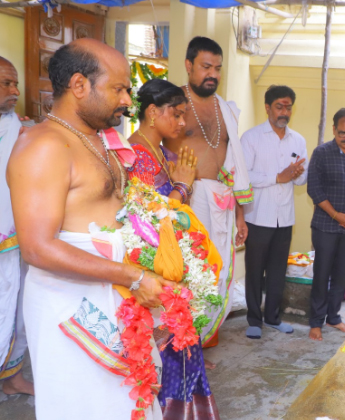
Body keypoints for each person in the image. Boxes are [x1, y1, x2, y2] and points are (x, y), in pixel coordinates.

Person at [7, 39, 168, 419]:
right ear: (79, 86)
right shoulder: (44, 146)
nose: (128, 99)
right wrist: (133, 276)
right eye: (118, 88)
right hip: (69, 306)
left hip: (113, 292)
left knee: (126, 405)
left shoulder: (98, 140)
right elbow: (37, 248)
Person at [127, 79, 220, 419]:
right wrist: (182, 184)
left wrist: (183, 185)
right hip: (154, 271)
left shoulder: (165, 153)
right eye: (177, 115)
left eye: (184, 115)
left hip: (176, 267)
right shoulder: (135, 155)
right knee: (167, 351)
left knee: (183, 347)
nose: (183, 123)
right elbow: (147, 221)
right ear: (152, 113)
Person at [164, 36, 251, 347]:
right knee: (193, 270)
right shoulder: (173, 106)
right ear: (189, 66)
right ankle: (184, 342)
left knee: (219, 268)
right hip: (190, 199)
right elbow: (159, 153)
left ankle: (204, 336)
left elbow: (234, 163)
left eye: (217, 68)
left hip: (224, 201)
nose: (212, 73)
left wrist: (242, 215)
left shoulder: (225, 109)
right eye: (205, 66)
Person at [241, 85, 307, 339]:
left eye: (288, 106)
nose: (284, 112)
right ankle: (254, 320)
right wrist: (278, 177)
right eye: (279, 106)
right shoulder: (251, 138)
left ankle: (273, 318)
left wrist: (297, 175)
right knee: (255, 270)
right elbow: (244, 177)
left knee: (279, 270)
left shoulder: (298, 140)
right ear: (267, 107)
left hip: (284, 218)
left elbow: (301, 180)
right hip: (258, 216)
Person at [307, 108, 345, 341]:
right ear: (334, 130)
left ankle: (333, 317)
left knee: (342, 274)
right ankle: (315, 322)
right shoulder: (321, 153)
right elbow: (314, 189)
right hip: (325, 226)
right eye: (342, 132)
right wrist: (336, 215)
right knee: (322, 274)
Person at [0, 56, 33, 396]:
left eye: (15, 83)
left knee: (17, 309)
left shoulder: (20, 128)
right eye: (6, 84)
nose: (15, 90)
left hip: (15, 240)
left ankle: (12, 377)